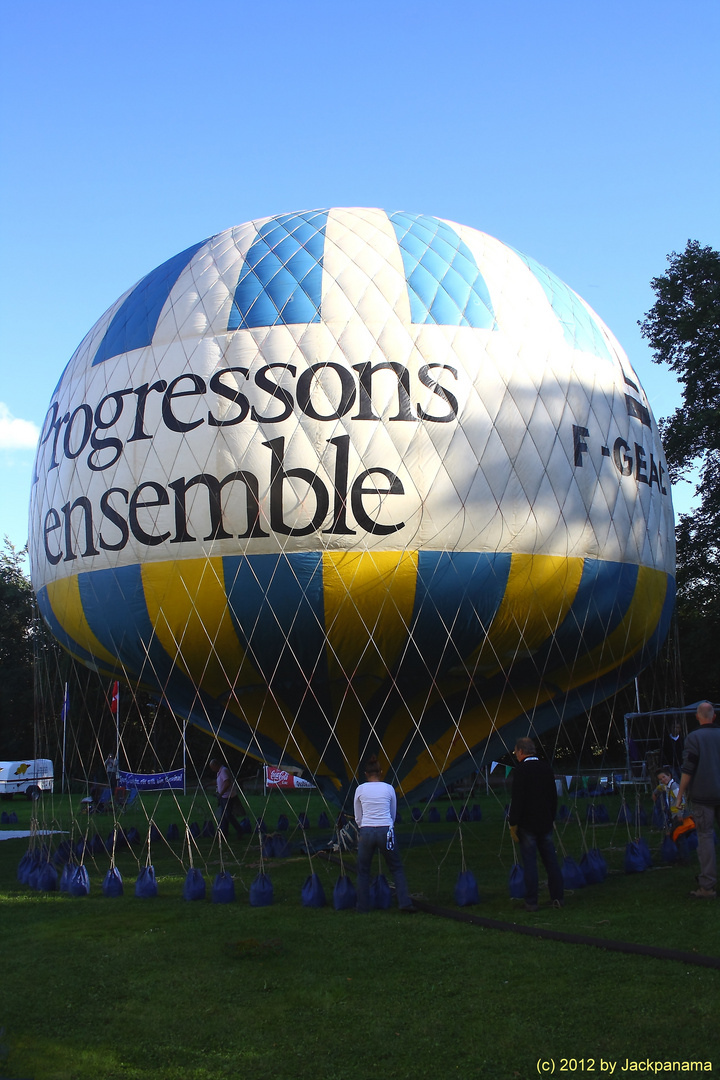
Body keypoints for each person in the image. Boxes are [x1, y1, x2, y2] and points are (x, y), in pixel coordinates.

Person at [508, 737, 564, 912]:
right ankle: (558, 897)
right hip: (545, 822)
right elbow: (553, 797)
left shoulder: (521, 771)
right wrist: (551, 817)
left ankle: (531, 901)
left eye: (516, 751)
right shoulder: (546, 768)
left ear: (521, 751)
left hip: (527, 824)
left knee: (530, 863)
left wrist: (513, 822)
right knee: (551, 861)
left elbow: (518, 799)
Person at [354, 755, 415, 913]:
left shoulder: (360, 789)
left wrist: (363, 826)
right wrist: (388, 825)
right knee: (396, 868)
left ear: (366, 774)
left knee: (363, 870)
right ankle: (405, 903)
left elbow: (357, 815)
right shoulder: (388, 788)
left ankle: (362, 906)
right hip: (386, 830)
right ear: (381, 772)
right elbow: (393, 812)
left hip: (366, 830)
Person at [675, 701, 720, 899]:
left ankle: (707, 886)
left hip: (703, 796)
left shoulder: (694, 738)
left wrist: (680, 795)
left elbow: (688, 769)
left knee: (706, 837)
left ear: (697, 716)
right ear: (714, 716)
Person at [210, 759, 245, 838]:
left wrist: (221, 793)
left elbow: (227, 782)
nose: (212, 769)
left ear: (216, 765)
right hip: (224, 796)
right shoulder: (220, 772)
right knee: (224, 815)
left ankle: (239, 830)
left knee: (228, 815)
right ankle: (224, 833)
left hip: (228, 796)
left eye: (212, 767)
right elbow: (220, 781)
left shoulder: (223, 771)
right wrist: (208, 785)